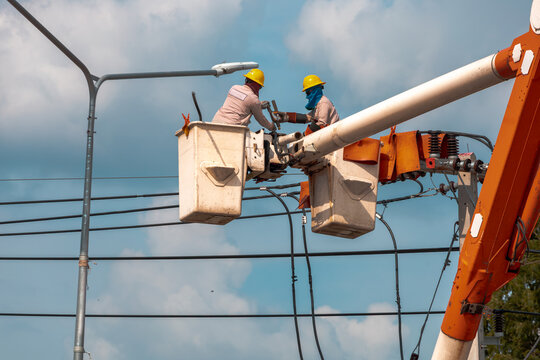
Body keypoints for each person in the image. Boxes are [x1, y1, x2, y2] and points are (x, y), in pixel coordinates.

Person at [275, 74, 339, 133]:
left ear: (313, 91)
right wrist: (287, 117)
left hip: (335, 136)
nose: (307, 97)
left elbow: (321, 124)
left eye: (307, 93)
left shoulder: (324, 103)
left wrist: (305, 135)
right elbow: (308, 117)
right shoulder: (319, 104)